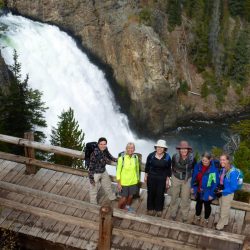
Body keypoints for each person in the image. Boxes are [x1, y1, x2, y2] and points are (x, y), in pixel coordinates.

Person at [169, 140, 196, 222]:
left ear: (188, 150)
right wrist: (172, 177)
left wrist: (193, 182)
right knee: (174, 196)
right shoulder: (174, 156)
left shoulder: (192, 158)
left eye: (185, 149)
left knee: (185, 198)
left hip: (187, 179)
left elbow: (194, 169)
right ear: (179, 149)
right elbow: (172, 166)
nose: (184, 150)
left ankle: (184, 215)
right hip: (176, 177)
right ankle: (173, 213)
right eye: (182, 149)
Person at [144, 139, 171, 217]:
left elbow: (168, 169)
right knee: (151, 192)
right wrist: (146, 176)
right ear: (156, 147)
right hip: (151, 177)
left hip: (162, 178)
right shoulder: (151, 155)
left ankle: (159, 209)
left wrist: (167, 180)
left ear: (164, 149)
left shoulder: (168, 157)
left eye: (162, 147)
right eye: (158, 147)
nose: (160, 149)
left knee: (160, 193)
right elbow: (147, 167)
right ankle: (150, 208)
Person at [191, 152, 219, 225]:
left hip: (208, 191)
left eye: (206, 160)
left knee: (207, 206)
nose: (204, 162)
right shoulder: (198, 166)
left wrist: (212, 194)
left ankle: (206, 218)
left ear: (210, 160)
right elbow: (194, 178)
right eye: (203, 160)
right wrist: (193, 187)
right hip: (199, 190)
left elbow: (215, 183)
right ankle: (197, 216)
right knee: (198, 204)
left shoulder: (213, 170)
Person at [88, 137, 117, 204]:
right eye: (101, 144)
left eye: (104, 144)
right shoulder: (95, 153)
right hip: (95, 173)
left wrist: (117, 160)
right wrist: (91, 178)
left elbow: (110, 156)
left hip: (103, 171)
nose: (103, 146)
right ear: (98, 144)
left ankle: (112, 197)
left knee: (108, 185)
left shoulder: (105, 149)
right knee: (93, 190)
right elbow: (91, 167)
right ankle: (93, 204)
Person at [215, 153, 239, 230]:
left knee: (224, 210)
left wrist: (224, 190)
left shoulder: (233, 172)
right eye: (221, 160)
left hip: (227, 193)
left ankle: (219, 226)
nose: (222, 161)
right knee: (222, 207)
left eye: (224, 160)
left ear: (228, 160)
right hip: (221, 191)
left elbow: (234, 187)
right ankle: (225, 222)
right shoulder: (223, 169)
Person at [116, 143, 140, 212]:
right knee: (124, 198)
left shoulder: (135, 157)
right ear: (126, 149)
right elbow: (118, 171)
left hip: (133, 181)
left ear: (134, 149)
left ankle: (127, 208)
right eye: (129, 148)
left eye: (132, 148)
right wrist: (119, 183)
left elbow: (137, 169)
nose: (130, 149)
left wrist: (137, 179)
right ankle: (118, 210)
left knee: (130, 196)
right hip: (124, 182)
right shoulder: (122, 158)